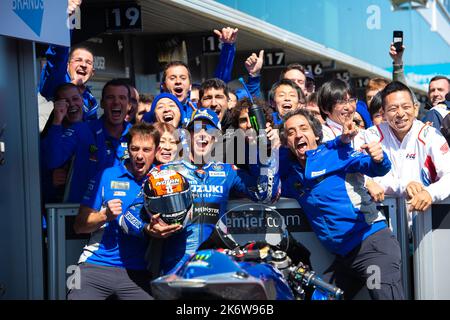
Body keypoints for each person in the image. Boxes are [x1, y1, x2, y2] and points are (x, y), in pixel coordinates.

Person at [122, 108, 281, 276]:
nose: (203, 134)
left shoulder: (228, 172)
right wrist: (148, 229)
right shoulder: (164, 171)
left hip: (215, 269)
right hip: (174, 270)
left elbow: (265, 194)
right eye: (197, 129)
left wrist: (267, 151)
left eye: (209, 130)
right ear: (188, 135)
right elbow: (128, 218)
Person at [280, 108, 403, 300]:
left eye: (303, 128)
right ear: (286, 142)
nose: (298, 135)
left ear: (316, 134)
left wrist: (379, 159)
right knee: (318, 298)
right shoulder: (292, 174)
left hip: (372, 249)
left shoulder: (335, 153)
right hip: (345, 259)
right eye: (291, 132)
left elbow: (374, 167)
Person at [68, 123, 178, 300]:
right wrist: (104, 215)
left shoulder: (162, 180)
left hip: (137, 272)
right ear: (128, 148)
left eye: (146, 149)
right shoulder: (106, 175)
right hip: (95, 266)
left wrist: (158, 230)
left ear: (157, 150)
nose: (140, 155)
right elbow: (79, 226)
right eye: (135, 149)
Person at [362, 82, 450, 214]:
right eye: (393, 109)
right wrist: (404, 186)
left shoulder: (430, 135)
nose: (400, 113)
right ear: (383, 113)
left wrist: (430, 193)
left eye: (406, 107)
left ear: (415, 109)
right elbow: (362, 176)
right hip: (385, 221)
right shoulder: (371, 135)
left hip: (426, 219)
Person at [41, 79, 132, 203]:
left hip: (126, 212)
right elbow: (53, 161)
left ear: (129, 105)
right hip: (86, 215)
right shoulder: (82, 129)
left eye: (122, 98)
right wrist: (57, 122)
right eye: (110, 97)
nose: (116, 102)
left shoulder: (137, 134)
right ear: (102, 103)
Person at [39, 1, 98, 123]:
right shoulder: (56, 84)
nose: (83, 65)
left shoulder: (90, 98)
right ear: (67, 66)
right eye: (78, 60)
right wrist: (67, 16)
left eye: (88, 62)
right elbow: (59, 55)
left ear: (93, 72)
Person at [318, 79, 365, 149]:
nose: (348, 107)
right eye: (341, 102)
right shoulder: (320, 134)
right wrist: (342, 140)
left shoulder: (364, 134)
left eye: (352, 100)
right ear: (325, 108)